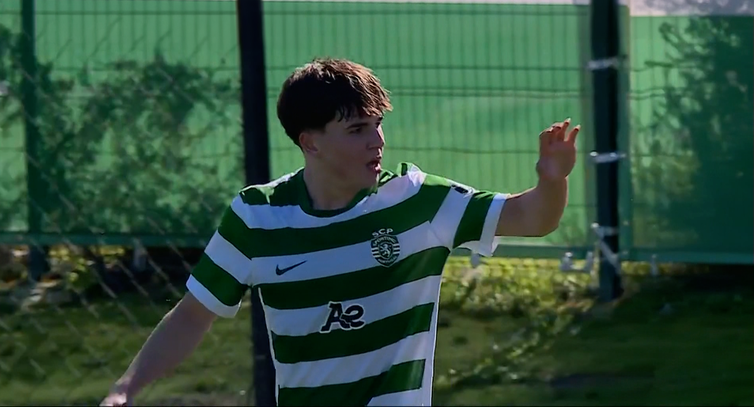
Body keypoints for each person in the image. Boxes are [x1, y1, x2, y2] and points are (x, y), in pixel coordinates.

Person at [100, 58, 579, 407]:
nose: (377, 141)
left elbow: (532, 218)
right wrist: (125, 389)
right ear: (310, 143)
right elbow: (192, 315)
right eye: (356, 130)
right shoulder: (257, 217)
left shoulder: (418, 202)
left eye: (378, 124)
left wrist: (552, 180)